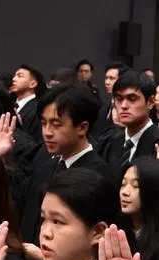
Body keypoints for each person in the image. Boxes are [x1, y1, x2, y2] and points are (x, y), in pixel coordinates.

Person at [20, 83, 109, 248]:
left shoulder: (99, 177)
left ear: (82, 128)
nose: (47, 132)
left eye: (56, 124)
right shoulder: (43, 167)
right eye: (44, 123)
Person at [95, 70, 159, 176]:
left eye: (132, 98)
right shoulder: (109, 142)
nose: (124, 105)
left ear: (151, 102)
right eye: (119, 99)